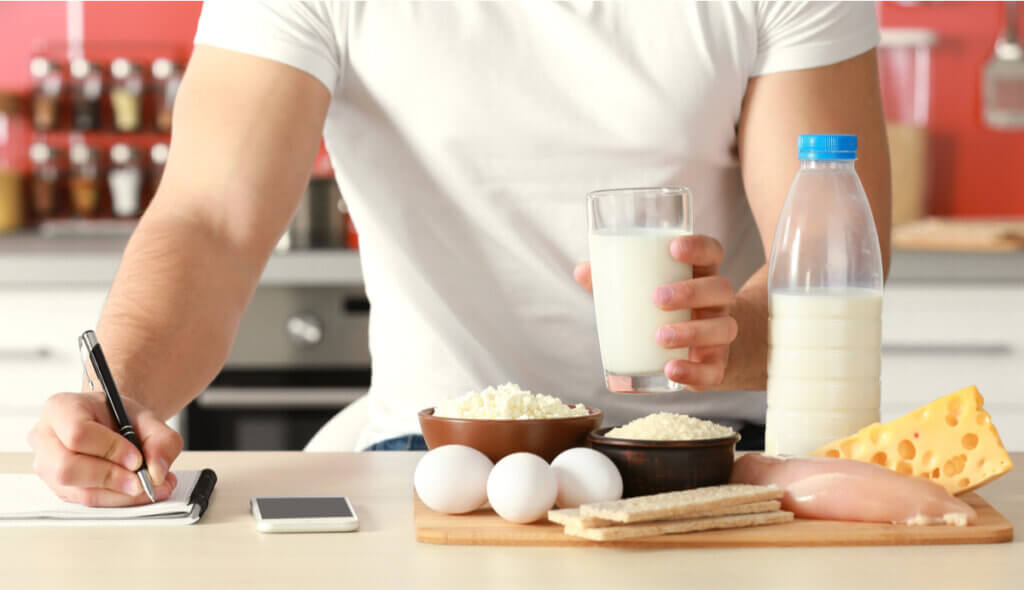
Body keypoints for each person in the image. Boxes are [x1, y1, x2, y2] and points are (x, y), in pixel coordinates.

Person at [28, 1, 891, 506]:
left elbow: (838, 249)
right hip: (433, 450)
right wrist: (125, 392)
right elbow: (212, 220)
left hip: (698, 451)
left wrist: (736, 328)